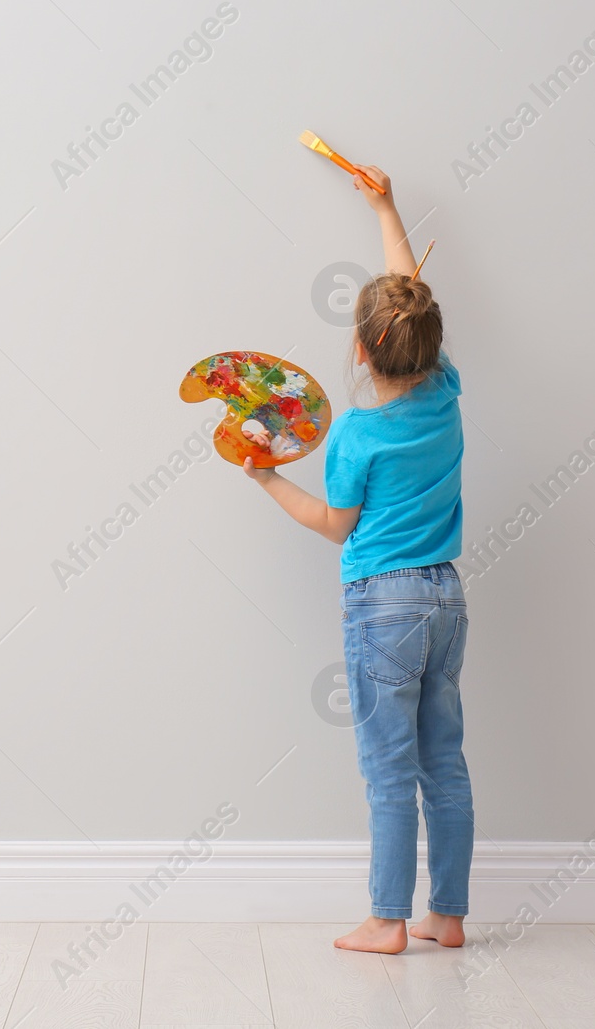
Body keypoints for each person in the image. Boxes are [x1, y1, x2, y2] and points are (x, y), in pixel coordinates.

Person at [243, 165, 472, 954]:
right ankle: (449, 915)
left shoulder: (354, 435)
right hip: (447, 600)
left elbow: (335, 524)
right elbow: (411, 297)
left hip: (385, 605)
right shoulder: (443, 389)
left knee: (387, 770)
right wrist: (386, 206)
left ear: (363, 349)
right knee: (444, 763)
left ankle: (387, 921)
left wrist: (269, 478)